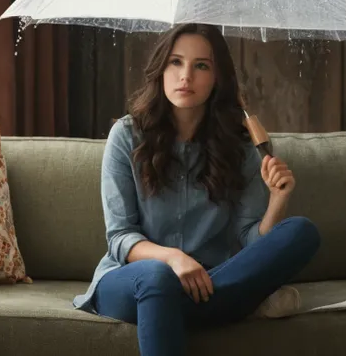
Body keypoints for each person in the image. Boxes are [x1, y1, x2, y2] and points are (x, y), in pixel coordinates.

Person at [73, 23, 320, 356]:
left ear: (217, 77)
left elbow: (252, 244)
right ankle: (233, 304)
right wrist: (174, 259)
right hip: (131, 280)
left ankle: (200, 304)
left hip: (210, 280)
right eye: (176, 62)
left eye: (201, 65)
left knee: (301, 233)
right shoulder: (126, 136)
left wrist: (277, 200)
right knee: (158, 278)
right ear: (161, 69)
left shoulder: (243, 145)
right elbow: (120, 238)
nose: (185, 75)